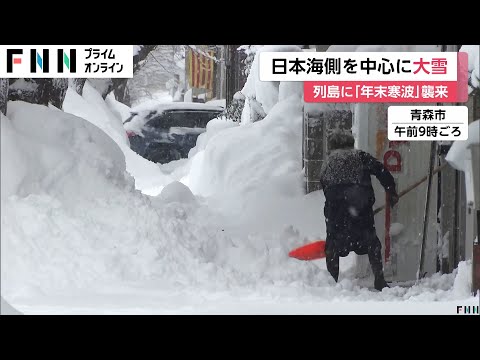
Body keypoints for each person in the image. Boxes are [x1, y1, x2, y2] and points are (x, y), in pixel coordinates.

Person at [319, 131, 399, 291]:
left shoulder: (327, 163)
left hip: (336, 215)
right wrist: (391, 191)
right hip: (361, 211)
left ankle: (332, 281)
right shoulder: (360, 157)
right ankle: (379, 279)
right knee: (371, 243)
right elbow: (381, 170)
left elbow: (325, 188)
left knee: (332, 247)